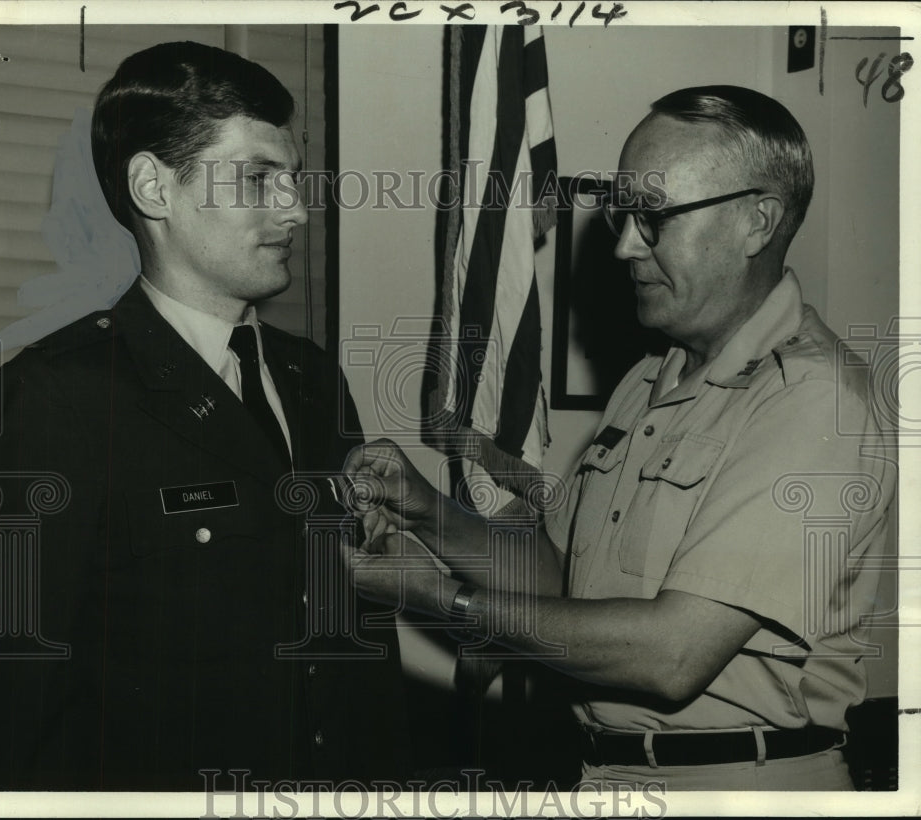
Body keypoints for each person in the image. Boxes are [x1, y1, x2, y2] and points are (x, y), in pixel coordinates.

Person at [341, 85, 896, 790]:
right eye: (621, 214)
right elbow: (558, 580)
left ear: (758, 222)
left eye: (653, 217)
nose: (626, 245)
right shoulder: (649, 379)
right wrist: (425, 510)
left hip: (737, 785)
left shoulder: (810, 399)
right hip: (605, 775)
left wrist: (436, 599)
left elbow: (671, 657)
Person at [0, 41, 409, 791]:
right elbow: (0, 712)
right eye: (260, 180)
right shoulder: (56, 398)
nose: (296, 208)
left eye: (293, 179)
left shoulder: (312, 379)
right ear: (154, 189)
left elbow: (355, 653)